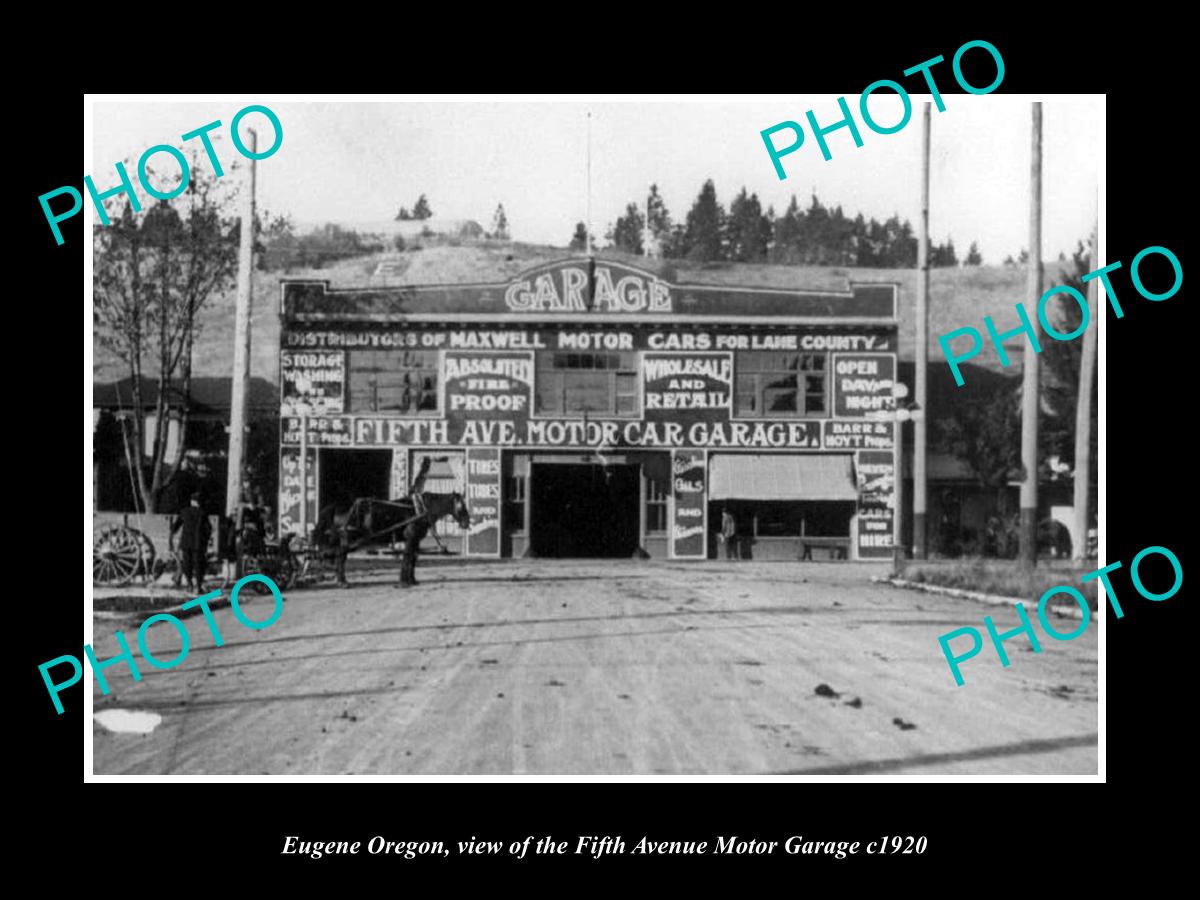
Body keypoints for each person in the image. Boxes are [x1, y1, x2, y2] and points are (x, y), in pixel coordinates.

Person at [171, 492, 212, 593]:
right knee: (198, 565)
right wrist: (206, 539)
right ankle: (198, 586)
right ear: (199, 502)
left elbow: (175, 527)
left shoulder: (184, 511)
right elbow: (208, 529)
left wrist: (172, 529)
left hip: (185, 543)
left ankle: (189, 584)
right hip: (198, 544)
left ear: (191, 502)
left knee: (187, 564)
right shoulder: (203, 513)